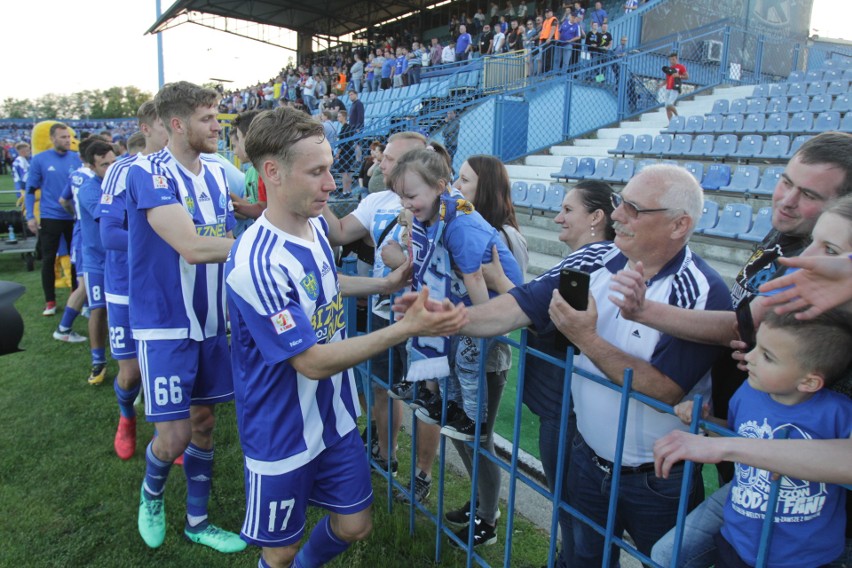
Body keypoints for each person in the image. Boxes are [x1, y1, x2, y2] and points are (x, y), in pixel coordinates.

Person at [394, 164, 731, 566]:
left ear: (679, 225)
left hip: (658, 479)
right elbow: (519, 306)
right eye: (621, 201)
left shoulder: (702, 290)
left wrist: (586, 339)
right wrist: (450, 317)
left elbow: (665, 389)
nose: (618, 214)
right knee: (579, 558)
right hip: (586, 461)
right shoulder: (594, 258)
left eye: (635, 209)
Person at [225, 107, 467, 568]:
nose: (332, 184)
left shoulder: (315, 224)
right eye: (317, 172)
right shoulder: (255, 262)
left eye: (331, 168)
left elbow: (323, 281)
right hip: (281, 430)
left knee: (355, 524)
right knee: (279, 551)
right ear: (272, 172)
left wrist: (383, 285)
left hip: (333, 415)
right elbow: (312, 361)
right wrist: (406, 328)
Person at [610, 132, 852, 456]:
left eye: (808, 194)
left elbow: (740, 325)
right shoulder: (787, 228)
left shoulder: (818, 260)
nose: (787, 199)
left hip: (781, 433)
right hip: (740, 409)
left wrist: (642, 310)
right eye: (786, 181)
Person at [651, 195, 852, 568]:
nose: (805, 260)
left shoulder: (837, 409)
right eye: (812, 243)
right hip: (745, 534)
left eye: (832, 249)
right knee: (666, 554)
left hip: (808, 551)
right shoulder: (756, 383)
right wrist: (712, 429)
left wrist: (725, 448)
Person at [125, 81, 244, 553]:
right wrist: (264, 248)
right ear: (177, 123)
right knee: (172, 438)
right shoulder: (147, 173)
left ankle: (198, 521)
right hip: (167, 324)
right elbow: (193, 248)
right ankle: (152, 493)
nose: (218, 125)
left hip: (213, 320)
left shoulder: (216, 175)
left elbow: (227, 238)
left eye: (218, 116)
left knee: (205, 424)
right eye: (207, 118)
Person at [653, 310, 852, 568]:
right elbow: (735, 436)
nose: (749, 357)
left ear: (810, 381)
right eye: (756, 346)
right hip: (740, 543)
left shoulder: (839, 412)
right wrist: (705, 421)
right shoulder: (747, 393)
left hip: (806, 558)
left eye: (767, 356)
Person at [321, 132, 439, 500]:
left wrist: (401, 263)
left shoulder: (440, 201)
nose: (379, 163)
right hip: (382, 309)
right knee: (382, 386)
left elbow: (446, 261)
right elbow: (339, 232)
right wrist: (317, 191)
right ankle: (386, 458)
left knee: (426, 398)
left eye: (388, 158)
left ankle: (422, 474)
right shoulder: (376, 199)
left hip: (423, 315)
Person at [441, 155, 529, 547]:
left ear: (488, 188)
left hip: (489, 356)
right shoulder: (467, 226)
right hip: (466, 344)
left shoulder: (504, 235)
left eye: (466, 180)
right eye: (457, 179)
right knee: (462, 432)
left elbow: (518, 294)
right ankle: (481, 503)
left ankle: (489, 521)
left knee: (480, 438)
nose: (457, 187)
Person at [98, 100, 170, 460]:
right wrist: (164, 240)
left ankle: (169, 433)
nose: (174, 129)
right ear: (146, 128)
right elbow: (108, 235)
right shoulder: (122, 169)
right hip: (126, 287)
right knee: (131, 374)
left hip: (165, 287)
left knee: (166, 368)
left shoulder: (186, 169)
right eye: (164, 124)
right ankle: (126, 417)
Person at [25, 123, 83, 316]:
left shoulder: (76, 158)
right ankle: (50, 301)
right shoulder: (40, 160)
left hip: (73, 217)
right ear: (53, 139)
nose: (68, 140)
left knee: (75, 260)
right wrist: (30, 216)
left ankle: (77, 297)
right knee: (49, 260)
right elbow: (30, 189)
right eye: (63, 137)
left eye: (69, 136)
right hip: (50, 217)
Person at [76, 140, 116, 389]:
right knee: (99, 310)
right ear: (92, 167)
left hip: (119, 260)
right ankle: (98, 360)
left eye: (113, 162)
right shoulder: (89, 190)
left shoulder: (118, 181)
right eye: (104, 165)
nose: (110, 169)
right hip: (97, 261)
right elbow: (107, 216)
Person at [663, 52, 688, 121]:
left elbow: (687, 76)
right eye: (670, 60)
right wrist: (661, 84)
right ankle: (671, 123)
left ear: (676, 59)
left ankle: (677, 116)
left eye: (673, 59)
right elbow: (667, 79)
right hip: (668, 88)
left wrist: (679, 76)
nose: (672, 61)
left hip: (675, 87)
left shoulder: (681, 67)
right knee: (667, 107)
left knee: (669, 104)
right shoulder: (669, 68)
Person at [539, 7, 559, 73]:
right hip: (544, 40)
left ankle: (548, 72)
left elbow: (553, 29)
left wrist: (549, 38)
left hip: (550, 40)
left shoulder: (554, 19)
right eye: (546, 13)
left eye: (548, 12)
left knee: (548, 57)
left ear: (551, 13)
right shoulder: (545, 21)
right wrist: (540, 40)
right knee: (544, 57)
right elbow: (543, 31)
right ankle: (543, 72)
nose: (547, 14)